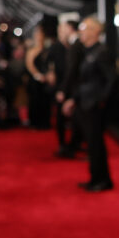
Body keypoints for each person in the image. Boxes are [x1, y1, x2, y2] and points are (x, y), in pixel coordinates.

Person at [62, 17, 115, 191]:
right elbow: (85, 82)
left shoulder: (102, 52)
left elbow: (112, 80)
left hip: (94, 107)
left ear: (95, 31)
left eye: (84, 28)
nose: (81, 32)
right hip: (85, 104)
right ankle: (95, 178)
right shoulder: (89, 52)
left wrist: (100, 101)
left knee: (96, 144)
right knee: (92, 145)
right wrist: (74, 99)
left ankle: (102, 180)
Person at [52, 19, 83, 157]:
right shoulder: (71, 45)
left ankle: (70, 147)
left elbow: (71, 70)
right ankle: (71, 146)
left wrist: (63, 90)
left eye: (63, 28)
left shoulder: (76, 45)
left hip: (73, 88)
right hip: (72, 87)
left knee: (69, 118)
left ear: (70, 29)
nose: (61, 31)